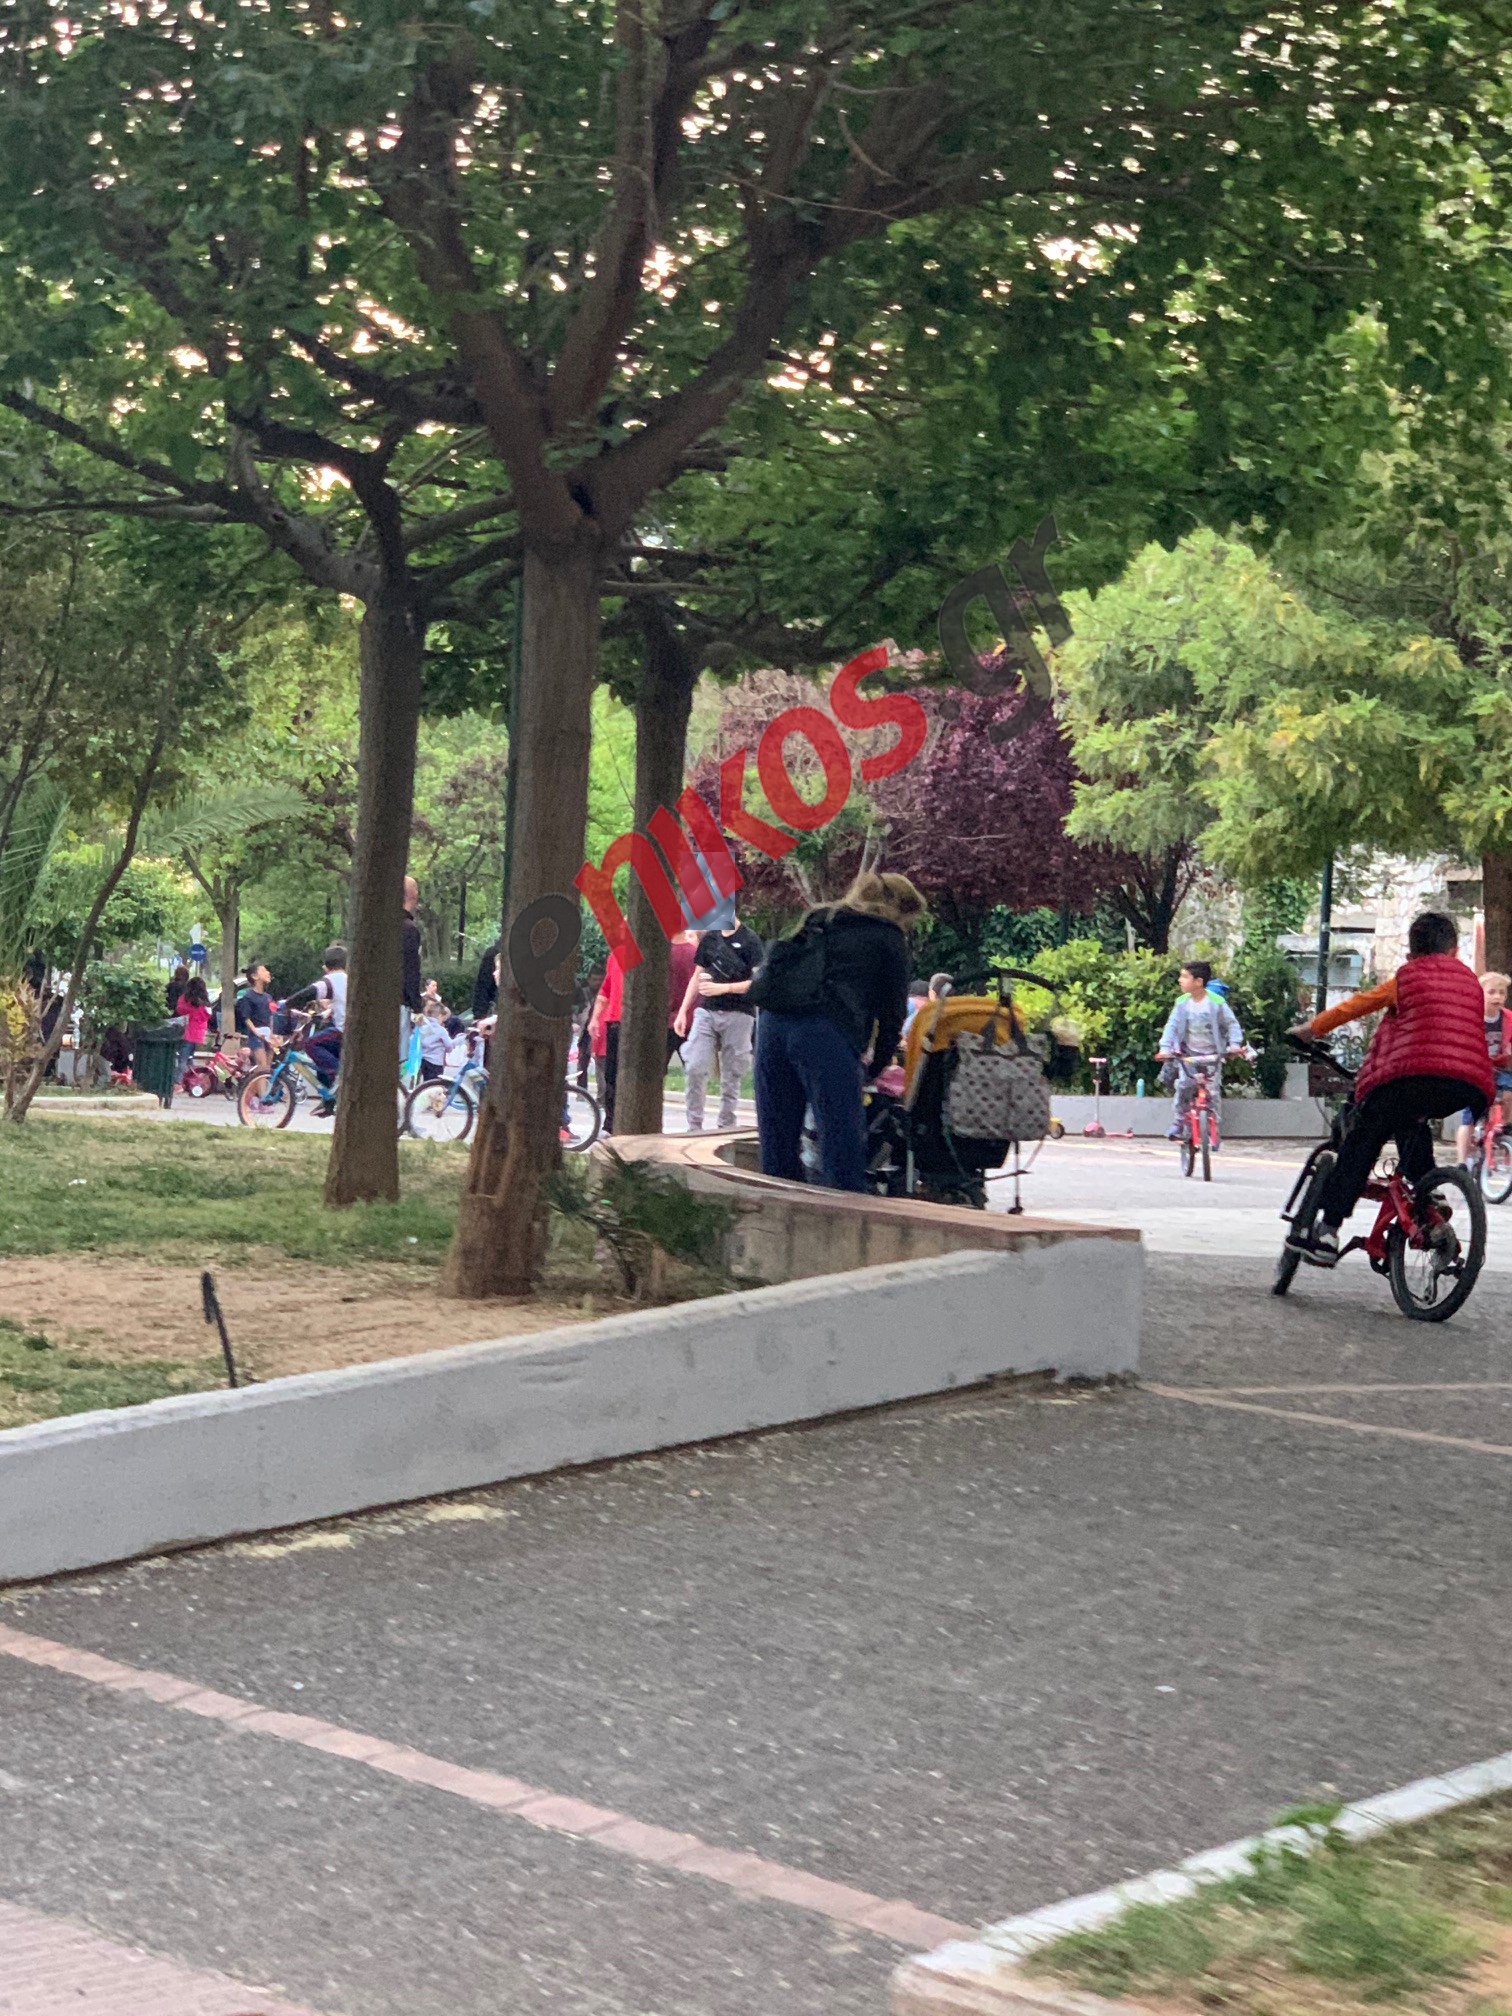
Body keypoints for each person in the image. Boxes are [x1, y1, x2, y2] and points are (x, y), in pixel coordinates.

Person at [1287, 911, 1494, 1266]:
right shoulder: (1472, 984)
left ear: (1411, 954)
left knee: (1364, 1138)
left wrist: (1309, 1030)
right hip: (1467, 1084)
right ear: (1454, 951)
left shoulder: (1407, 977)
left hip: (1411, 1077)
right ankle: (1429, 1197)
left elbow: (1357, 1005)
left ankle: (1328, 1231)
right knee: (1412, 1121)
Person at [753, 870, 926, 1192]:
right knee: (841, 1145)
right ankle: (843, 1216)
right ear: (900, 909)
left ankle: (777, 1208)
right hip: (824, 1031)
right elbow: (892, 1014)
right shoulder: (887, 937)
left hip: (773, 1023)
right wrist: (876, 1067)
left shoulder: (820, 919)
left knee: (777, 1142)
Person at [674, 905, 764, 1131]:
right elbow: (697, 975)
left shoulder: (750, 941)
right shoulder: (710, 938)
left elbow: (757, 983)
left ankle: (726, 1124)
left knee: (731, 1073)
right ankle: (694, 1125)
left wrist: (724, 988)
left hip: (739, 1012)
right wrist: (683, 1010)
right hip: (707, 1010)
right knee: (695, 1066)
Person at [1157, 960, 1244, 1144]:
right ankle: (1179, 1121)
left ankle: (1213, 1129)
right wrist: (1165, 1048)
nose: (1180, 980)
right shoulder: (1182, 1003)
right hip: (1188, 1055)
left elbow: (1232, 1024)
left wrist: (1234, 1044)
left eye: (1184, 977)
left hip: (1213, 1055)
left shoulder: (1217, 1002)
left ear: (1198, 982)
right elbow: (1171, 1026)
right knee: (1183, 1087)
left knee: (1212, 1092)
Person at [1455, 971, 1512, 1165]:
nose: (1498, 997)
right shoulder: (1472, 1017)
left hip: (1498, 1067)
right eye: (1492, 992)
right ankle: (1462, 1162)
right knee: (1469, 1117)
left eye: (1502, 993)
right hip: (1475, 1068)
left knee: (1509, 1093)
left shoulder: (1508, 1019)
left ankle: (1505, 1128)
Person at [286, 944, 348, 1114]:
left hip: (343, 1030)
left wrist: (288, 1003)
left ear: (326, 966)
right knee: (321, 1061)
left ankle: (339, 1076)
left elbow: (310, 992)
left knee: (311, 1044)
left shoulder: (331, 980)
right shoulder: (347, 979)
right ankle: (328, 1100)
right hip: (345, 1029)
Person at [588, 947, 627, 1130]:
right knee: (611, 1076)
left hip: (632, 1020)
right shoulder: (615, 955)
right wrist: (595, 1018)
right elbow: (605, 990)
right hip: (614, 1022)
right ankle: (610, 1123)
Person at [235, 962, 274, 1071]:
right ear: (254, 976)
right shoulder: (248, 996)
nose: (268, 973)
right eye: (264, 970)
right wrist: (257, 1033)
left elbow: (271, 1016)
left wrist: (271, 1034)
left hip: (268, 1035)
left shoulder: (268, 997)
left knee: (267, 1069)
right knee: (262, 1067)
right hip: (256, 1036)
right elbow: (246, 1018)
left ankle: (260, 1083)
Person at [400, 875, 423, 1058]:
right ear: (412, 895)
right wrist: (417, 1006)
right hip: (400, 1002)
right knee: (401, 1055)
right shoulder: (408, 929)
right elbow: (411, 969)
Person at [174, 974, 212, 1084]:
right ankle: (192, 1080)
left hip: (187, 1033)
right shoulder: (205, 1003)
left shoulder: (186, 1000)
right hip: (199, 1034)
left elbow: (179, 1009)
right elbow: (208, 1015)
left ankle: (178, 1081)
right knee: (190, 1057)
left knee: (182, 1058)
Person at [418, 997, 453, 1082]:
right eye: (443, 1019)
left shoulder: (423, 1027)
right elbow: (449, 1046)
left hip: (423, 1059)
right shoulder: (441, 1030)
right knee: (434, 1083)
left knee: (426, 1081)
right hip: (436, 1061)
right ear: (440, 1016)